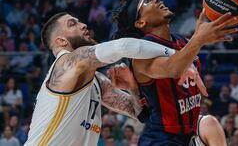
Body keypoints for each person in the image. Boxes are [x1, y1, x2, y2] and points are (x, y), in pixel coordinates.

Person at [24, 12, 196, 145]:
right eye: (73, 24)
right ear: (61, 41)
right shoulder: (66, 62)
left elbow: (139, 113)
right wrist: (178, 56)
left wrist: (133, 89)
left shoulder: (96, 81)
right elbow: (121, 46)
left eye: (79, 21)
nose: (83, 25)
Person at [111, 0, 236, 145]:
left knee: (211, 123)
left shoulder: (182, 41)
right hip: (161, 139)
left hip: (187, 136)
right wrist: (199, 39)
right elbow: (173, 68)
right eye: (147, 1)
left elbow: (147, 113)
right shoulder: (140, 56)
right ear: (140, 22)